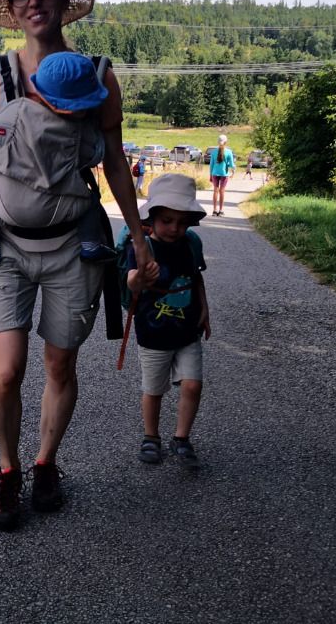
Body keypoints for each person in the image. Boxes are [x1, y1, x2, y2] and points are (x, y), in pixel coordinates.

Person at [0, 0, 157, 531]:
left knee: (60, 364)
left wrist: (139, 238)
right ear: (11, 8)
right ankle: (8, 469)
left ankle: (45, 462)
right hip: (6, 246)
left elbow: (114, 160)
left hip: (71, 248)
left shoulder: (98, 76)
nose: (34, 1)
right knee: (7, 369)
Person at [0, 51, 117, 273]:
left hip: (8, 209)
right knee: (91, 201)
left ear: (41, 93)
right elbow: (96, 155)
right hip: (63, 210)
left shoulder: (14, 115)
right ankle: (90, 246)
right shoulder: (82, 133)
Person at [121, 173, 210, 470]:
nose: (175, 228)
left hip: (188, 331)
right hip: (153, 334)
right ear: (153, 217)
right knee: (154, 390)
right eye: (167, 220)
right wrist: (140, 276)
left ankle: (181, 439)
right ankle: (151, 437)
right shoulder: (142, 247)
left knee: (193, 385)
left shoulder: (191, 244)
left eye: (182, 222)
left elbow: (196, 278)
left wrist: (205, 311)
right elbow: (131, 283)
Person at [209, 134, 235, 216]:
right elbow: (232, 164)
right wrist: (233, 171)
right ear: (226, 142)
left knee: (215, 191)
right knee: (222, 191)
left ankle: (214, 210)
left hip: (214, 173)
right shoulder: (229, 152)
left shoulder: (213, 152)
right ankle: (221, 210)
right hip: (224, 174)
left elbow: (211, 165)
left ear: (218, 142)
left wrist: (210, 175)